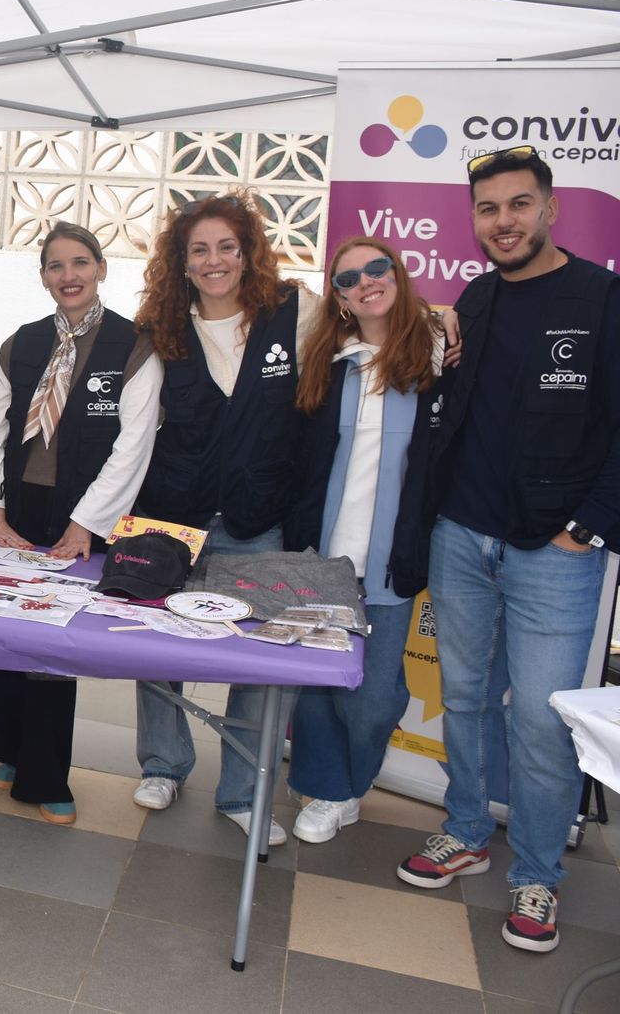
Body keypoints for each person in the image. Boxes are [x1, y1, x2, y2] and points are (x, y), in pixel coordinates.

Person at [395, 147, 619, 955]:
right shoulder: (477, 299)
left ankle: (536, 873)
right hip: (462, 535)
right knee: (463, 696)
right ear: (475, 221)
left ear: (550, 208)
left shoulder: (601, 297)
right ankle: (465, 831)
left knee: (539, 720)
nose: (504, 222)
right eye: (489, 209)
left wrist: (587, 528)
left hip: (554, 553)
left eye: (519, 205)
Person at [129, 191, 316, 847]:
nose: (214, 262)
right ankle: (163, 764)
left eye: (226, 248)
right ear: (181, 262)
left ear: (248, 252)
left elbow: (362, 350)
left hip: (259, 517)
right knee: (156, 646)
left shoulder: (294, 313)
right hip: (171, 517)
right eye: (199, 250)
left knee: (259, 662)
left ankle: (242, 792)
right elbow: (133, 433)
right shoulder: (157, 329)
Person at [0, 223, 160, 824]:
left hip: (85, 510)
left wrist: (87, 524)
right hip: (22, 505)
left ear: (102, 268)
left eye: (80, 263)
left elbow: (134, 446)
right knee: (3, 624)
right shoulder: (21, 343)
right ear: (44, 276)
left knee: (52, 641)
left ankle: (44, 777)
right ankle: (4, 750)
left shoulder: (134, 346)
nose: (68, 275)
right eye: (55, 266)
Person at [283, 236, 445, 844]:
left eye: (376, 269)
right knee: (320, 683)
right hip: (322, 556)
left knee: (374, 697)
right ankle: (329, 790)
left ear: (398, 274)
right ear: (340, 299)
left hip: (392, 561)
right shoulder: (327, 360)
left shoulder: (436, 359)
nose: (364, 283)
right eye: (347, 279)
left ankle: (348, 781)